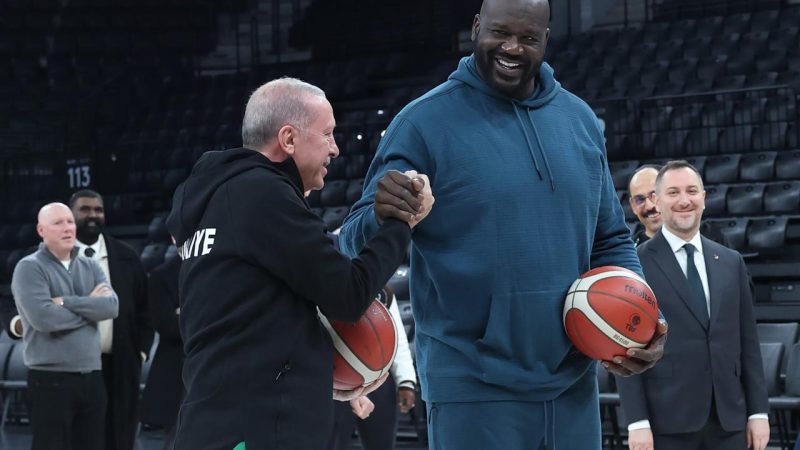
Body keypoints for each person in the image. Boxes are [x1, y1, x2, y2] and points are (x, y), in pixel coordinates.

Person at [338, 0, 666, 448]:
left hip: (572, 383)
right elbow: (351, 241)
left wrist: (641, 318)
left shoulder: (581, 122)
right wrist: (379, 211)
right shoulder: (422, 123)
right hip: (471, 386)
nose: (512, 47)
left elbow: (609, 239)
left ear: (546, 39)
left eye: (528, 38)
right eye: (500, 33)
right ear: (476, 27)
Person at [164, 77, 433, 450]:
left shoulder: (216, 197)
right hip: (257, 426)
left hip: (218, 416)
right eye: (327, 134)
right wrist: (400, 224)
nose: (336, 149)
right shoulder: (261, 194)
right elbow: (349, 295)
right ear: (289, 140)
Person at [616, 160, 769, 450]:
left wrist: (758, 411)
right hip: (667, 422)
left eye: (692, 191)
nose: (684, 200)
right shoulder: (636, 265)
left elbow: (748, 342)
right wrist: (637, 422)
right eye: (673, 193)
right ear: (658, 202)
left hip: (730, 420)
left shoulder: (731, 261)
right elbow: (628, 349)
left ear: (704, 198)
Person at [11, 202, 119, 450]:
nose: (68, 228)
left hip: (92, 376)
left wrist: (66, 302)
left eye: (70, 221)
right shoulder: (29, 267)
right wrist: (90, 307)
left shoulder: (90, 264)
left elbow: (111, 307)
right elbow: (45, 320)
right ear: (41, 230)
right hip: (50, 380)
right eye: (58, 223)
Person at [69, 189, 154, 450]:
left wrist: (139, 352)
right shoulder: (52, 257)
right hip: (73, 367)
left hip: (120, 364)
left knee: (119, 436)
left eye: (98, 210)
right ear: (70, 214)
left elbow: (145, 310)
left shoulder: (127, 256)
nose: (93, 215)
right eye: (85, 209)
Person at [327, 286, 418, 450]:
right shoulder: (324, 278)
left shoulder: (381, 288)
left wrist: (406, 381)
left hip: (378, 379)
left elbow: (396, 336)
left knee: (381, 445)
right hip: (335, 379)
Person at [140, 254, 183, 436]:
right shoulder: (161, 275)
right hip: (173, 376)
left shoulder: (218, 267)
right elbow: (169, 327)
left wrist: (183, 312)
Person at [628, 165, 663, 246]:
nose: (649, 206)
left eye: (655, 194)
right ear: (633, 206)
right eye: (640, 200)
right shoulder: (627, 254)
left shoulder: (696, 243)